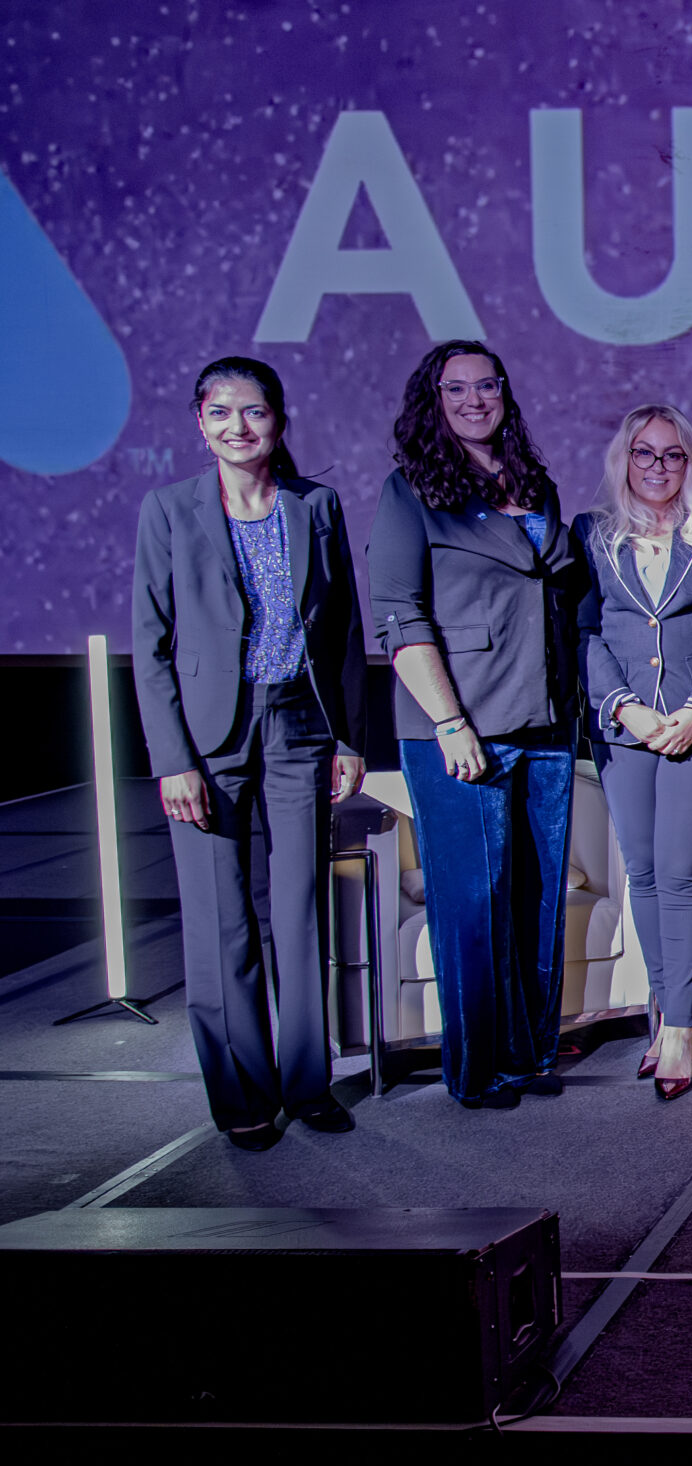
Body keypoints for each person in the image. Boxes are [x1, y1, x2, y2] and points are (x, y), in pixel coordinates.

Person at [132, 357, 367, 1150]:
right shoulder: (167, 511)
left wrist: (347, 737)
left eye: (255, 411)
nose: (239, 426)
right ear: (199, 422)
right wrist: (172, 758)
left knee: (299, 911)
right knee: (221, 921)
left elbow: (340, 633)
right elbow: (150, 644)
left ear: (279, 421)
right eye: (222, 412)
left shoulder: (316, 506)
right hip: (206, 739)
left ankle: (308, 1082)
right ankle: (241, 1095)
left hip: (300, 726)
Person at [371, 340, 587, 1109]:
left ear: (505, 392)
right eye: (455, 389)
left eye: (486, 385)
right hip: (461, 724)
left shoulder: (536, 484)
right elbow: (399, 616)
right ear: (433, 401)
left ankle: (528, 1053)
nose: (473, 400)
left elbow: (559, 589)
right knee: (473, 900)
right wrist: (449, 721)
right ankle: (477, 1069)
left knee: (536, 893)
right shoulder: (410, 493)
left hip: (546, 718)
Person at [573, 403, 692, 1100]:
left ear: (691, 463)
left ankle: (681, 1026)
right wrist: (624, 706)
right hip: (624, 726)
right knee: (641, 874)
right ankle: (661, 1013)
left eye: (673, 455)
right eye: (645, 454)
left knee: (680, 872)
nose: (658, 467)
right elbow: (585, 633)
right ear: (625, 459)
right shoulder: (592, 535)